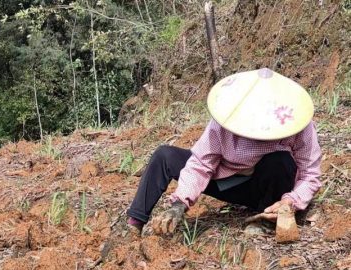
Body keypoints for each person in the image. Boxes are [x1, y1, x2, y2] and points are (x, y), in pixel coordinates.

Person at [126, 68, 322, 236]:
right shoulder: (225, 121)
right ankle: (135, 222)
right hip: (223, 182)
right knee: (165, 156)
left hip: (264, 188)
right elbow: (201, 164)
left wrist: (291, 202)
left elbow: (309, 174)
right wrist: (179, 204)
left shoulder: (299, 126)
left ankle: (264, 219)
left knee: (281, 161)